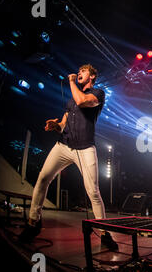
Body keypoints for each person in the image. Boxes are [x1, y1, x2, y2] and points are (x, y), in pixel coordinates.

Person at [19, 64, 118, 250]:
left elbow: (82, 101)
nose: (79, 73)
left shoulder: (98, 93)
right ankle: (33, 223)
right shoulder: (71, 100)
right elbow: (64, 124)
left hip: (85, 148)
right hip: (63, 146)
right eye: (78, 71)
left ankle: (105, 233)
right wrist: (55, 126)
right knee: (42, 179)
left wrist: (72, 81)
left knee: (93, 192)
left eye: (83, 71)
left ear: (92, 76)